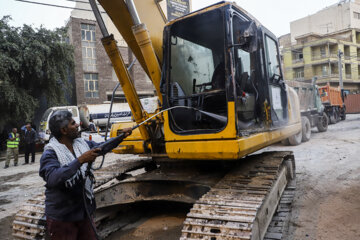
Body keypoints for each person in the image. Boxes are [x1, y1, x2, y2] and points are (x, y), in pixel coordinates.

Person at [39, 111, 131, 240]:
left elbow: (101, 148)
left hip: (83, 212)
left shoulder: (81, 144)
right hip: (63, 217)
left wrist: (121, 137)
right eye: (73, 123)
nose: (77, 125)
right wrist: (80, 160)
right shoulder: (50, 153)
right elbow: (53, 178)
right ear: (64, 130)